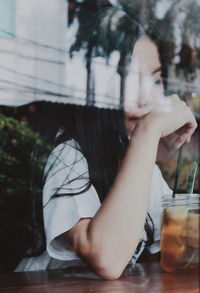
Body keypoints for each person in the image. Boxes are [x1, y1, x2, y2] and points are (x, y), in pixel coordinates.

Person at [3, 8, 197, 278]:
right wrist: (148, 131)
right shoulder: (65, 153)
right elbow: (106, 257)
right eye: (128, 79)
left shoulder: (134, 159)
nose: (146, 97)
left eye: (154, 79)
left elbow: (183, 241)